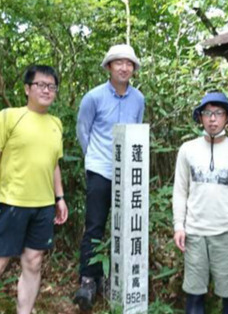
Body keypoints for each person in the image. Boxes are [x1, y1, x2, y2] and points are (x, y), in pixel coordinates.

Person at [0, 65, 68, 314]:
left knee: (33, 263)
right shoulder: (8, 117)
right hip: (11, 203)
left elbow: (53, 163)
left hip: (43, 206)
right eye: (41, 85)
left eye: (51, 86)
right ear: (27, 88)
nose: (47, 90)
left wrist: (60, 197)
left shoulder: (56, 124)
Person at [74, 44, 145, 311]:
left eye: (129, 64)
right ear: (108, 67)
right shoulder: (93, 97)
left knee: (125, 225)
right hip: (101, 169)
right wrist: (94, 158)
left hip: (128, 172)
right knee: (95, 224)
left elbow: (136, 131)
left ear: (134, 69)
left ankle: (117, 277)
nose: (124, 68)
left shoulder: (138, 99)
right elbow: (84, 131)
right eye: (119, 63)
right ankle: (89, 279)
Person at [172, 91, 228, 314]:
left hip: (227, 233)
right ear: (200, 117)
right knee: (194, 297)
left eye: (218, 113)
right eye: (207, 113)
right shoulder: (187, 150)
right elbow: (180, 191)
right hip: (195, 234)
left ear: (227, 118)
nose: (212, 119)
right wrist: (179, 226)